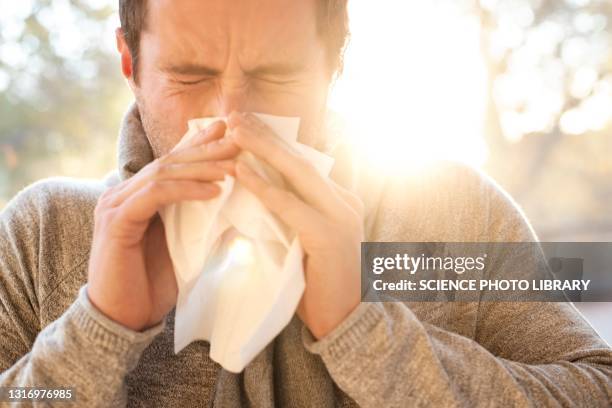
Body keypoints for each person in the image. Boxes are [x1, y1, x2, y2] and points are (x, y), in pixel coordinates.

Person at [0, 0, 611, 406]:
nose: (231, 117)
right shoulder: (46, 232)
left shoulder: (451, 214)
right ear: (130, 63)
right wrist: (96, 331)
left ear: (333, 65)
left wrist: (366, 332)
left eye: (276, 76)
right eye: (188, 76)